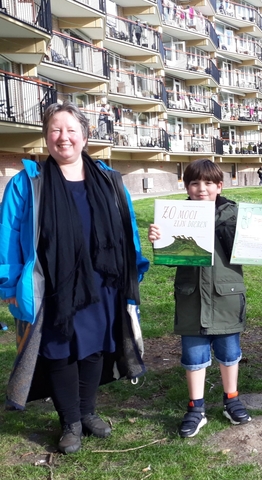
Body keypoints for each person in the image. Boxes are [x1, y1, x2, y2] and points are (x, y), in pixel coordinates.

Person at [0, 101, 149, 454]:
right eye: (55, 130)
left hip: (102, 283)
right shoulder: (28, 184)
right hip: (51, 285)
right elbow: (7, 238)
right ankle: (69, 422)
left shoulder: (109, 179)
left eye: (71, 130)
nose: (63, 137)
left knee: (95, 349)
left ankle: (88, 412)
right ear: (45, 137)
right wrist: (7, 285)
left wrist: (135, 269)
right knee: (60, 352)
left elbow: (128, 230)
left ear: (85, 135)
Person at [148, 159, 262, 437]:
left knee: (229, 353)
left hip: (226, 298)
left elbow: (254, 250)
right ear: (186, 187)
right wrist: (158, 239)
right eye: (194, 183)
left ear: (219, 186)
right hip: (191, 298)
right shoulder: (175, 215)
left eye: (208, 183)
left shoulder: (235, 215)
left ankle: (231, 399)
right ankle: (196, 408)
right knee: (194, 356)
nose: (201, 189)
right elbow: (172, 258)